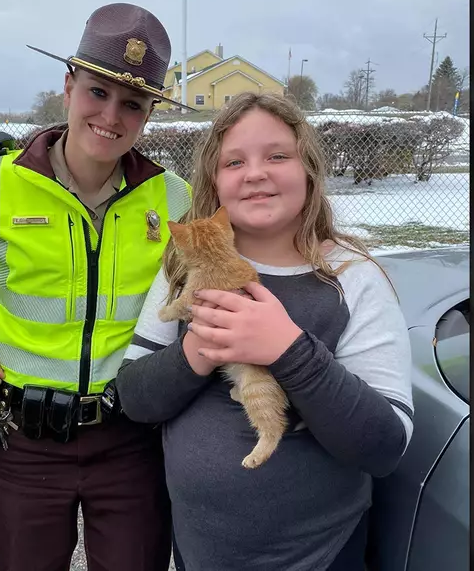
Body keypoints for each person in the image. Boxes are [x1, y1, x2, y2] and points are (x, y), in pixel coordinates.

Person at [0, 2, 194, 571]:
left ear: (149, 115)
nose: (111, 116)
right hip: (20, 441)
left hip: (132, 443)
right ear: (68, 85)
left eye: (133, 104)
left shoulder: (175, 201)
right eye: (97, 92)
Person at [115, 91, 415, 571]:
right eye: (234, 162)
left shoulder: (353, 279)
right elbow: (134, 398)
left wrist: (288, 350)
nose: (256, 172)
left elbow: (383, 447)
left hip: (319, 557)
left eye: (277, 155)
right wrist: (197, 348)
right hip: (199, 553)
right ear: (214, 182)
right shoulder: (180, 265)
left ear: (309, 170)